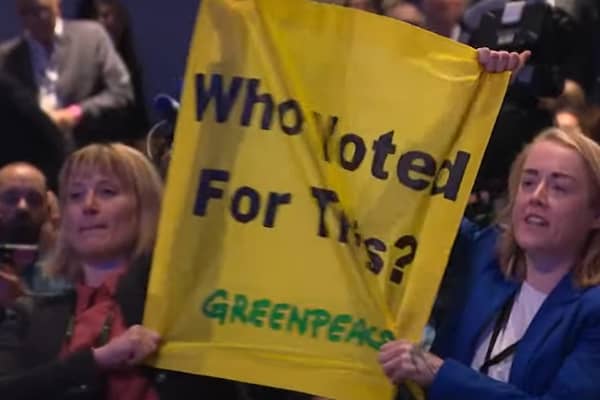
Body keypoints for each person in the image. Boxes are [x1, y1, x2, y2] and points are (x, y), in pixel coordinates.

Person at [379, 127, 600, 399]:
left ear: (596, 214)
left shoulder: (593, 311)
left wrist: (441, 374)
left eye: (559, 187)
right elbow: (421, 202)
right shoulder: (484, 252)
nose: (537, 197)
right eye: (528, 182)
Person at [0, 0, 134, 148]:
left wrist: (75, 113)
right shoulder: (7, 58)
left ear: (57, 4)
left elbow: (121, 92)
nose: (32, 20)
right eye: (25, 13)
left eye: (40, 10)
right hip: (33, 153)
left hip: (86, 149)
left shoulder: (91, 37)